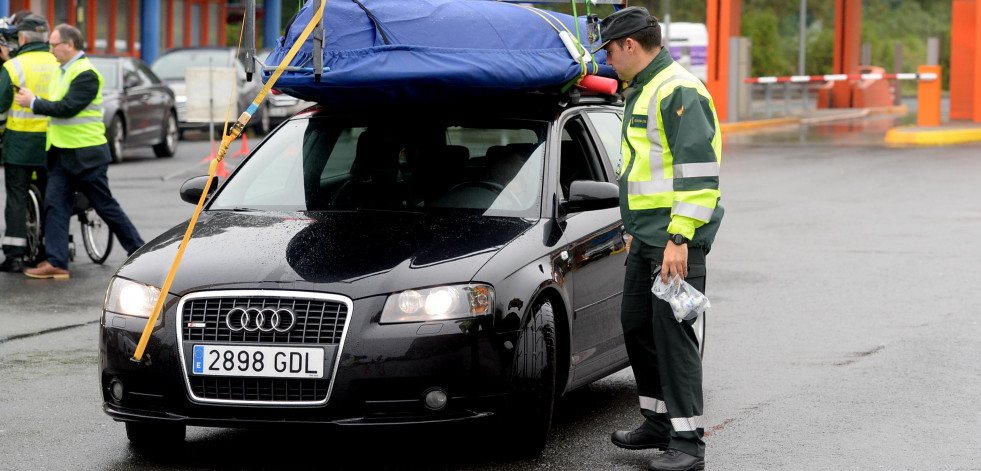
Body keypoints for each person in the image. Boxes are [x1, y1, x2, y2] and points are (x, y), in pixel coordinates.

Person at [594, 7, 723, 471]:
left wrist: (679, 237)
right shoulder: (644, 89)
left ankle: (688, 444)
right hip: (646, 236)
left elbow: (698, 175)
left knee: (674, 336)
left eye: (609, 49)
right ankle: (657, 421)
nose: (607, 58)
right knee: (637, 325)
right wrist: (634, 230)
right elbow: (642, 170)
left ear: (630, 44)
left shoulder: (678, 90)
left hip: (675, 239)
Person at [16, 23, 145, 279]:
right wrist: (37, 99)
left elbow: (67, 107)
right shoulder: (62, 71)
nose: (51, 49)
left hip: (86, 155)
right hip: (62, 153)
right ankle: (57, 262)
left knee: (105, 206)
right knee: (55, 206)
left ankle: (139, 252)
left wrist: (33, 102)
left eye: (54, 45)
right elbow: (56, 104)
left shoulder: (85, 73)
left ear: (70, 45)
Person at [0, 15, 59, 272]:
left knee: (16, 197)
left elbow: (1, 108)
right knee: (53, 197)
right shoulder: (59, 64)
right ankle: (51, 250)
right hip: (53, 144)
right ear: (46, 37)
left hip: (19, 145)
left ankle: (14, 255)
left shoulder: (13, 67)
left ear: (22, 38)